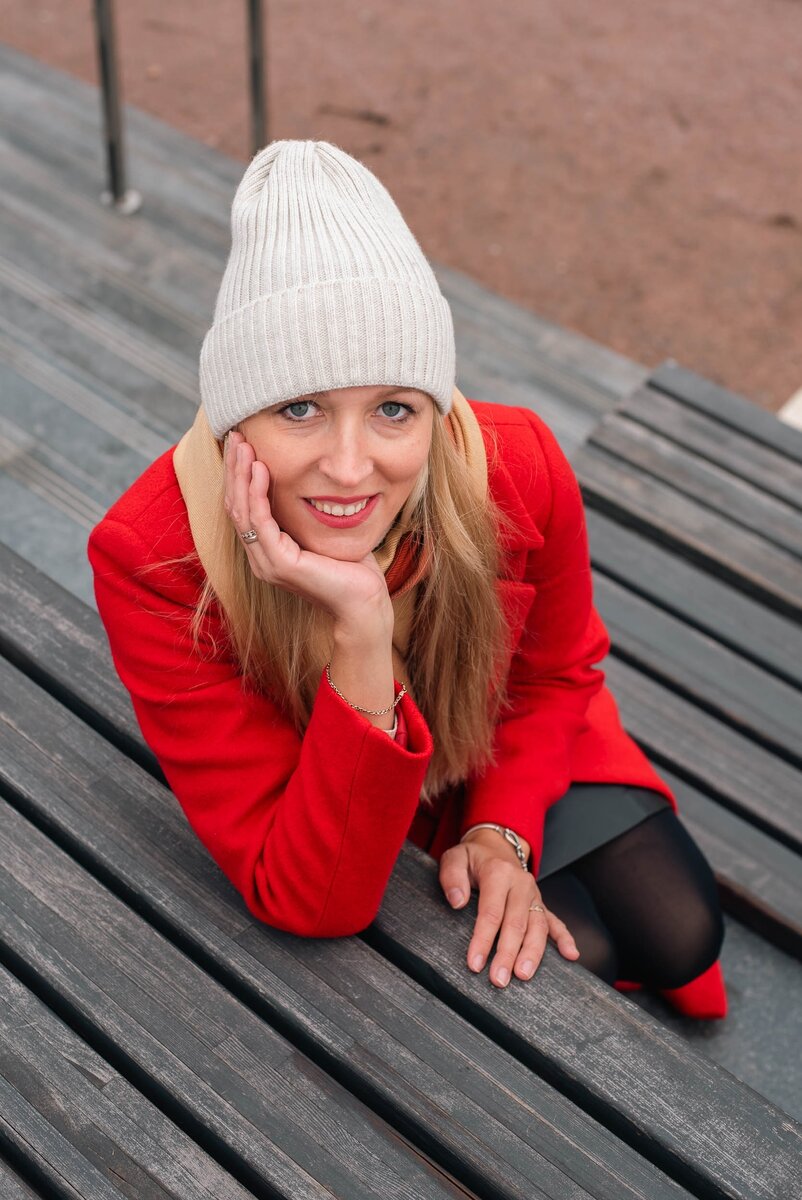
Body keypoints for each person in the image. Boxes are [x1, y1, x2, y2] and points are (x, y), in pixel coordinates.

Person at [88, 139, 727, 1019]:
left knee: (681, 932)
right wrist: (360, 627)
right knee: (572, 967)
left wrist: (500, 834)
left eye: (394, 408)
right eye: (300, 408)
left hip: (501, 741)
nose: (351, 468)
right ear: (236, 420)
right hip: (342, 797)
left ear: (434, 408)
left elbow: (554, 674)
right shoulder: (155, 557)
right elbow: (310, 898)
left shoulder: (516, 464)